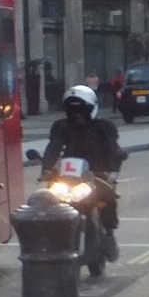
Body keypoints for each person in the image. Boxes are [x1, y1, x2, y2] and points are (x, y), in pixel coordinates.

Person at [40, 83, 126, 259]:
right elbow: (53, 148)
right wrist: (47, 169)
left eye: (81, 110)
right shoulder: (61, 127)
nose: (77, 115)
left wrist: (112, 171)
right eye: (73, 111)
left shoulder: (104, 126)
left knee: (108, 198)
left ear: (91, 108)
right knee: (48, 201)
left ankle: (109, 233)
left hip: (96, 174)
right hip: (67, 176)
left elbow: (113, 148)